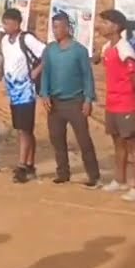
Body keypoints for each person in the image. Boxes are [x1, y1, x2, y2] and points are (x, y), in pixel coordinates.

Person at [38, 11, 100, 187]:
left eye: (58, 27)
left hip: (75, 102)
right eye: (53, 27)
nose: (55, 31)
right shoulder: (49, 50)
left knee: (84, 140)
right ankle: (63, 173)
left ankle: (93, 175)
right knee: (57, 139)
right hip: (55, 103)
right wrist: (44, 94)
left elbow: (87, 76)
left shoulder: (79, 50)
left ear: (67, 28)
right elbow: (46, 74)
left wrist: (88, 99)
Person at [96, 9, 135, 201]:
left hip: (125, 103)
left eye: (104, 22)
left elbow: (134, 77)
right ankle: (120, 179)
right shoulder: (107, 47)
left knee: (132, 143)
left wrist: (127, 96)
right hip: (112, 103)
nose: (100, 26)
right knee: (117, 141)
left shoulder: (124, 48)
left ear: (115, 26)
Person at [0, 7, 46, 183]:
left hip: (27, 91)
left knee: (24, 129)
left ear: (17, 23)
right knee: (22, 129)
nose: (5, 26)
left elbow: (46, 53)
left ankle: (22, 165)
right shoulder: (5, 41)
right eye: (4, 23)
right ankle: (29, 164)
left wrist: (36, 71)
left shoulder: (26, 38)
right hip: (14, 91)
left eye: (8, 23)